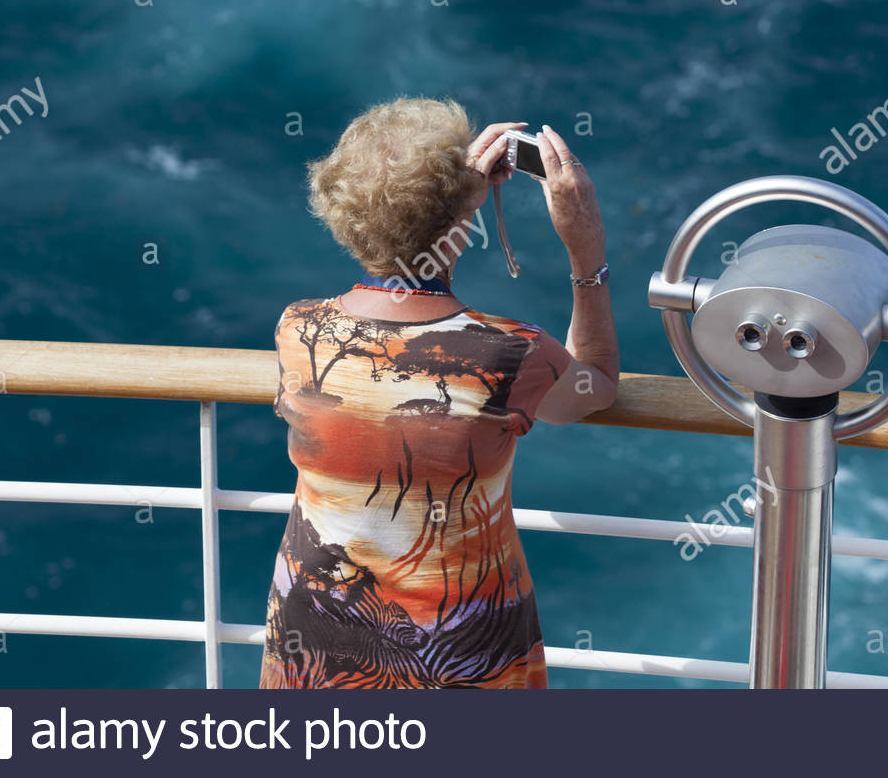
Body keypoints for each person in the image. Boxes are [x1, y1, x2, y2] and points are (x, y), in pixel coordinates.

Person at [259, 97, 619, 688]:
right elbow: (597, 384)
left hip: (312, 632)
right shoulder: (512, 353)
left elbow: (408, 279)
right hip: (459, 649)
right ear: (460, 218)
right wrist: (586, 250)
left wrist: (453, 205)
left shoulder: (299, 328)